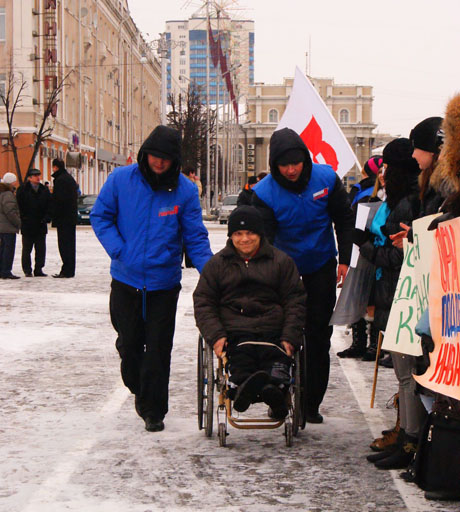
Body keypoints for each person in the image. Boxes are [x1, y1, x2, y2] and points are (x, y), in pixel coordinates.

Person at [91, 125, 213, 433]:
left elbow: (195, 236)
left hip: (163, 284)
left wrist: (210, 271)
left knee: (158, 349)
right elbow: (100, 216)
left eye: (166, 159)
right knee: (130, 346)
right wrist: (119, 250)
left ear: (174, 161)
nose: (159, 163)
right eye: (155, 156)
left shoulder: (185, 190)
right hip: (125, 279)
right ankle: (138, 384)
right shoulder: (120, 180)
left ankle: (154, 410)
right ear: (145, 154)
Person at [252, 127, 354, 423]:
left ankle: (311, 403)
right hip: (284, 268)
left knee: (318, 335)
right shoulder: (265, 194)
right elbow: (265, 240)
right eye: (284, 165)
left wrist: (344, 260)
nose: (291, 170)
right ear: (274, 166)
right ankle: (278, 395)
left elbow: (344, 220)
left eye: (296, 163)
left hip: (321, 264)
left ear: (305, 160)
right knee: (280, 333)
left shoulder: (326, 179)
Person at [193, 206, 306, 418]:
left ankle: (271, 390)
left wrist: (291, 336)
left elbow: (295, 300)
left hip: (273, 330)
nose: (244, 239)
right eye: (238, 233)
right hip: (235, 331)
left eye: (250, 233)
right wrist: (216, 336)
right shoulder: (217, 265)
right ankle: (250, 386)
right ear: (231, 235)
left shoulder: (281, 262)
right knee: (241, 359)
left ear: (260, 234)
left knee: (276, 359)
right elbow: (204, 302)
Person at [355, 138, 425, 470]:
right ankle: (406, 433)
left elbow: (401, 255)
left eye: (387, 168)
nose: (382, 174)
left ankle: (411, 440)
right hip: (396, 294)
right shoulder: (400, 200)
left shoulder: (407, 204)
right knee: (404, 374)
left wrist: (367, 246)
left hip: (406, 296)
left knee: (408, 374)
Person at [338, 155, 383, 360]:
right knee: (360, 294)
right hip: (361, 249)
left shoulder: (370, 194)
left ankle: (373, 344)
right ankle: (360, 343)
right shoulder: (365, 194)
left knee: (371, 298)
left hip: (373, 250)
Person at [16, 168, 52, 277]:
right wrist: (23, 218)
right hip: (28, 224)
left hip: (41, 224)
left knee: (40, 249)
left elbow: (50, 206)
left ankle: (39, 269)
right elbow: (19, 206)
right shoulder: (22, 190)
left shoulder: (44, 190)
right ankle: (27, 269)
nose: (38, 177)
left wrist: (47, 218)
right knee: (27, 249)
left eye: (38, 175)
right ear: (29, 178)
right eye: (35, 175)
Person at [50, 158, 78, 278]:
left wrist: (53, 213)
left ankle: (66, 270)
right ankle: (69, 269)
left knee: (64, 245)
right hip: (70, 217)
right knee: (70, 245)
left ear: (55, 167)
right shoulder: (69, 178)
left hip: (63, 218)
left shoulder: (60, 180)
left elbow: (59, 200)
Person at [0, 172, 21, 279]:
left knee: (3, 249)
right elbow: (10, 212)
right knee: (8, 250)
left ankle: (2, 270)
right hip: (8, 228)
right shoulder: (8, 194)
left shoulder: (2, 193)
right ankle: (6, 271)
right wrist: (18, 222)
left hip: (2, 228)